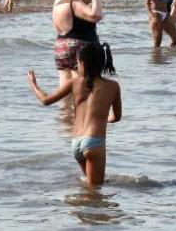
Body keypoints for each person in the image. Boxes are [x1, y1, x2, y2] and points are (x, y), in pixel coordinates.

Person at [27, 41, 122, 187]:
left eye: (78, 63)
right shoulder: (113, 86)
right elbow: (117, 117)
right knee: (95, 189)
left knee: (90, 186)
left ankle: (81, 209)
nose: (77, 67)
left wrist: (33, 84)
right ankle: (86, 208)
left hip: (76, 143)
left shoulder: (74, 83)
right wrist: (103, 119)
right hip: (94, 143)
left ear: (83, 64)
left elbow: (46, 100)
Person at [52, 0, 103, 89]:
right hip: (77, 46)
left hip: (60, 46)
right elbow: (97, 15)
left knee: (65, 90)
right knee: (80, 90)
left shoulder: (58, 3)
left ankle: (65, 108)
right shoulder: (74, 2)